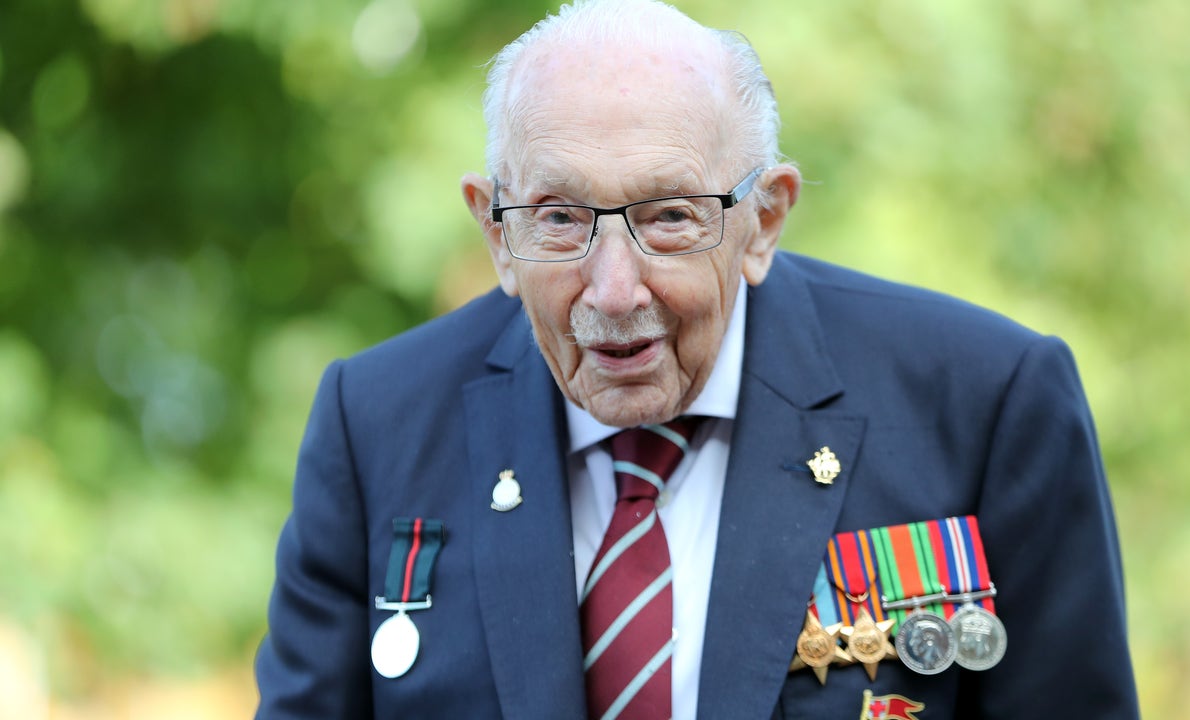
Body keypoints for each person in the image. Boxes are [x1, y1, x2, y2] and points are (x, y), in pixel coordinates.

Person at [254, 0, 1140, 718]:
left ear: (764, 221)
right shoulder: (376, 422)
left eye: (669, 217)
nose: (613, 291)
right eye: (559, 219)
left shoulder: (986, 400)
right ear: (496, 233)